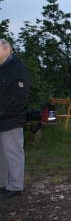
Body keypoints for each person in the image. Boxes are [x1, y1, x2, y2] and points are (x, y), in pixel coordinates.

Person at [0, 39, 30, 199]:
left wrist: (4, 111)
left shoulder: (17, 69)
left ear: (7, 49)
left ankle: (16, 185)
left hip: (11, 118)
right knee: (1, 154)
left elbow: (20, 97)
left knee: (12, 151)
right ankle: (2, 183)